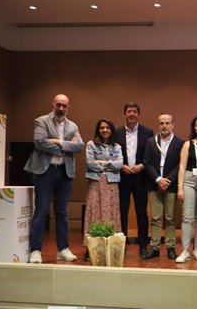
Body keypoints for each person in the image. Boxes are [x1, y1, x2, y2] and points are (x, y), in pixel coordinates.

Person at [24, 94, 85, 263]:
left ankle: (63, 249)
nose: (61, 108)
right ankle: (35, 250)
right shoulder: (41, 121)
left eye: (64, 106)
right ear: (53, 104)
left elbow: (80, 145)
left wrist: (57, 142)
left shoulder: (73, 125)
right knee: (41, 211)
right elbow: (39, 142)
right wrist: (66, 146)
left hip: (65, 172)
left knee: (62, 212)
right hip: (45, 171)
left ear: (68, 107)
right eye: (58, 105)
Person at [142, 114, 184, 260]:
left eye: (167, 123)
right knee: (155, 217)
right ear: (158, 125)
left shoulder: (180, 142)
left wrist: (168, 180)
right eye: (161, 123)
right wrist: (158, 179)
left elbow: (181, 164)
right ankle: (154, 247)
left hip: (171, 186)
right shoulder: (150, 142)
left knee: (171, 218)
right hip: (154, 185)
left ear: (173, 125)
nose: (164, 126)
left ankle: (170, 247)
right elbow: (146, 162)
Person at [115, 102, 153, 258]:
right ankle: (121, 246)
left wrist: (142, 166)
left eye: (134, 111)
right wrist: (121, 166)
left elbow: (151, 154)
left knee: (141, 213)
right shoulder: (116, 133)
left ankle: (143, 246)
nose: (131, 114)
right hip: (122, 176)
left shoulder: (147, 132)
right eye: (129, 111)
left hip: (140, 177)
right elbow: (112, 153)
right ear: (124, 114)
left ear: (138, 114)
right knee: (122, 212)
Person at [83, 118, 123, 261]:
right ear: (98, 130)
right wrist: (107, 166)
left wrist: (101, 163)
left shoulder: (117, 146)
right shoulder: (91, 144)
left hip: (112, 184)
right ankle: (91, 248)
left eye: (107, 127)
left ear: (111, 130)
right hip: (96, 182)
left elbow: (120, 164)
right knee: (95, 212)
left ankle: (112, 247)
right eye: (102, 128)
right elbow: (90, 163)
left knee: (112, 214)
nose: (104, 130)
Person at [175, 116, 197, 263]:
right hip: (189, 181)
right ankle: (185, 251)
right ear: (194, 128)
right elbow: (182, 166)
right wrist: (180, 187)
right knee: (187, 217)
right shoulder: (187, 145)